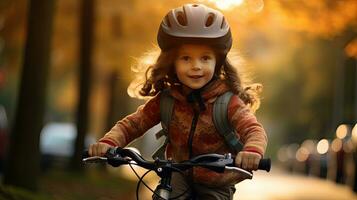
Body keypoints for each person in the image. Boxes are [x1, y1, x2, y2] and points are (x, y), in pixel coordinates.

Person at [89, 3, 268, 199]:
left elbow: (254, 130)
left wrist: (252, 151)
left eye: (205, 58)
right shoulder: (167, 100)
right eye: (186, 58)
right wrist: (109, 142)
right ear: (172, 62)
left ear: (218, 63)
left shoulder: (228, 103)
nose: (196, 66)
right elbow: (132, 124)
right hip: (176, 175)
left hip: (216, 179)